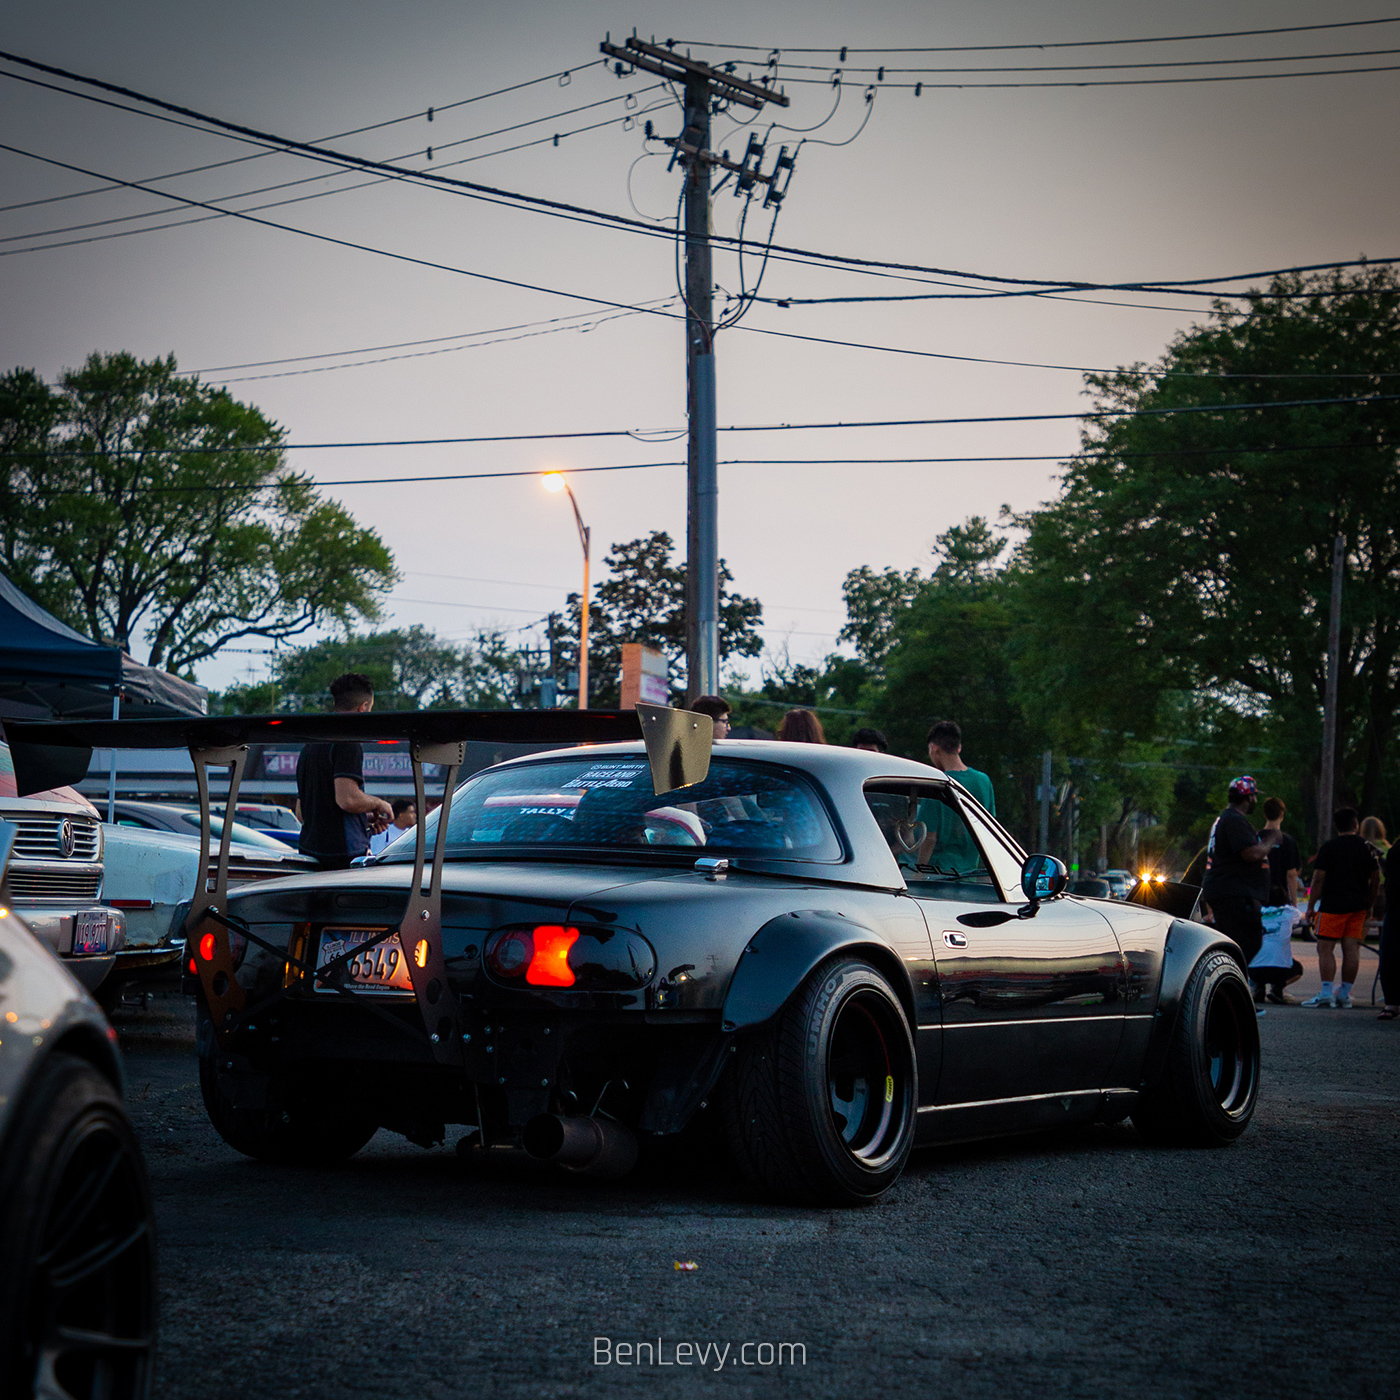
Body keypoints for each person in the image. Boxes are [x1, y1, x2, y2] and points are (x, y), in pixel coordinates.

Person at [295, 672, 394, 870]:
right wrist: (379, 804)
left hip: (309, 853)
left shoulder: (311, 745)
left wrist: (361, 820)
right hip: (343, 858)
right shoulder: (348, 742)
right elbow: (347, 799)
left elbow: (302, 812)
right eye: (370, 709)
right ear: (363, 707)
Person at [1302, 807, 1381, 1009]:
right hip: (1357, 906)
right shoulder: (1367, 847)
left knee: (1325, 948)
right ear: (1356, 824)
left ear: (1336, 825)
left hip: (1332, 906)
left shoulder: (1330, 847)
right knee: (1351, 949)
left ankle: (1327, 992)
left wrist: (1311, 905)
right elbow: (1375, 879)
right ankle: (1345, 994)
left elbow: (1318, 878)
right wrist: (1369, 904)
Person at [1200, 776, 1270, 970]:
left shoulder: (1225, 818)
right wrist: (1270, 843)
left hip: (1226, 890)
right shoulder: (1234, 820)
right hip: (1234, 892)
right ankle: (1226, 976)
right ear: (1248, 798)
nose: (1256, 800)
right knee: (1248, 940)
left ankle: (1226, 976)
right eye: (1254, 796)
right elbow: (1249, 853)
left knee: (1234, 941)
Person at [925, 720, 995, 815]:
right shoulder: (984, 781)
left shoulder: (936, 786)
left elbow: (928, 829)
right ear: (959, 747)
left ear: (934, 748)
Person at [1251, 883, 1305, 1005]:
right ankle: (1278, 988)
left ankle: (1258, 988)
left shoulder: (1258, 911)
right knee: (1298, 969)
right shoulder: (1289, 912)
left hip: (1254, 969)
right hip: (1280, 970)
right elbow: (1302, 917)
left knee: (1259, 957)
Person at [1261, 797, 1302, 906]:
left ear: (1265, 815)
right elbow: (1291, 874)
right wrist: (1294, 903)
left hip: (1260, 899)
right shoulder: (1288, 841)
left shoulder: (1255, 839)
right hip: (1281, 900)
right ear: (1281, 815)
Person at [1379, 837, 1400, 1021]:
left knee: (1390, 951)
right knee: (1389, 954)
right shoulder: (1397, 846)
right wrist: (1382, 863)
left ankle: (1392, 1002)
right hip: (1394, 907)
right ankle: (1391, 1001)